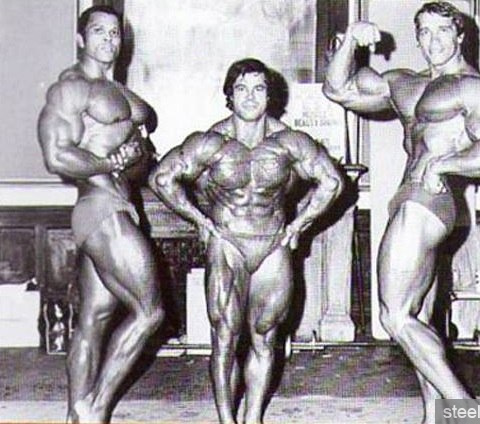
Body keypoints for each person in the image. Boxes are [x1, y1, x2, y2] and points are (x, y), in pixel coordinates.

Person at [323, 1, 480, 423]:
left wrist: (444, 163)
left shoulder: (472, 88)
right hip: (413, 198)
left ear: (460, 35)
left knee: (393, 317)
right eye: (424, 31)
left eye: (443, 30)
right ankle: (434, 415)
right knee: (419, 318)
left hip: (426, 202)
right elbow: (339, 90)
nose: (433, 40)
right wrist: (351, 40)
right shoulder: (405, 83)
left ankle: (468, 411)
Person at [149, 58, 344, 424]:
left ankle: (253, 418)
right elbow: (162, 178)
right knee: (225, 336)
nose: (250, 97)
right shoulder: (211, 142)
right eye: (241, 89)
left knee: (264, 336)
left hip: (272, 244)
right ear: (230, 96)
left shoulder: (289, 142)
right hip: (228, 243)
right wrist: (201, 221)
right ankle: (227, 420)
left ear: (270, 96)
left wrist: (298, 225)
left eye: (258, 88)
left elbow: (332, 182)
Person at [37, 5, 164, 423]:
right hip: (100, 207)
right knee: (150, 312)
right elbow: (57, 156)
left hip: (120, 205)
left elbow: (135, 161)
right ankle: (94, 408)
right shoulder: (71, 88)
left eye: (114, 33)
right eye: (98, 31)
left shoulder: (120, 91)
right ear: (81, 39)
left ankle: (75, 417)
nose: (108, 39)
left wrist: (134, 158)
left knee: (95, 319)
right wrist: (110, 164)